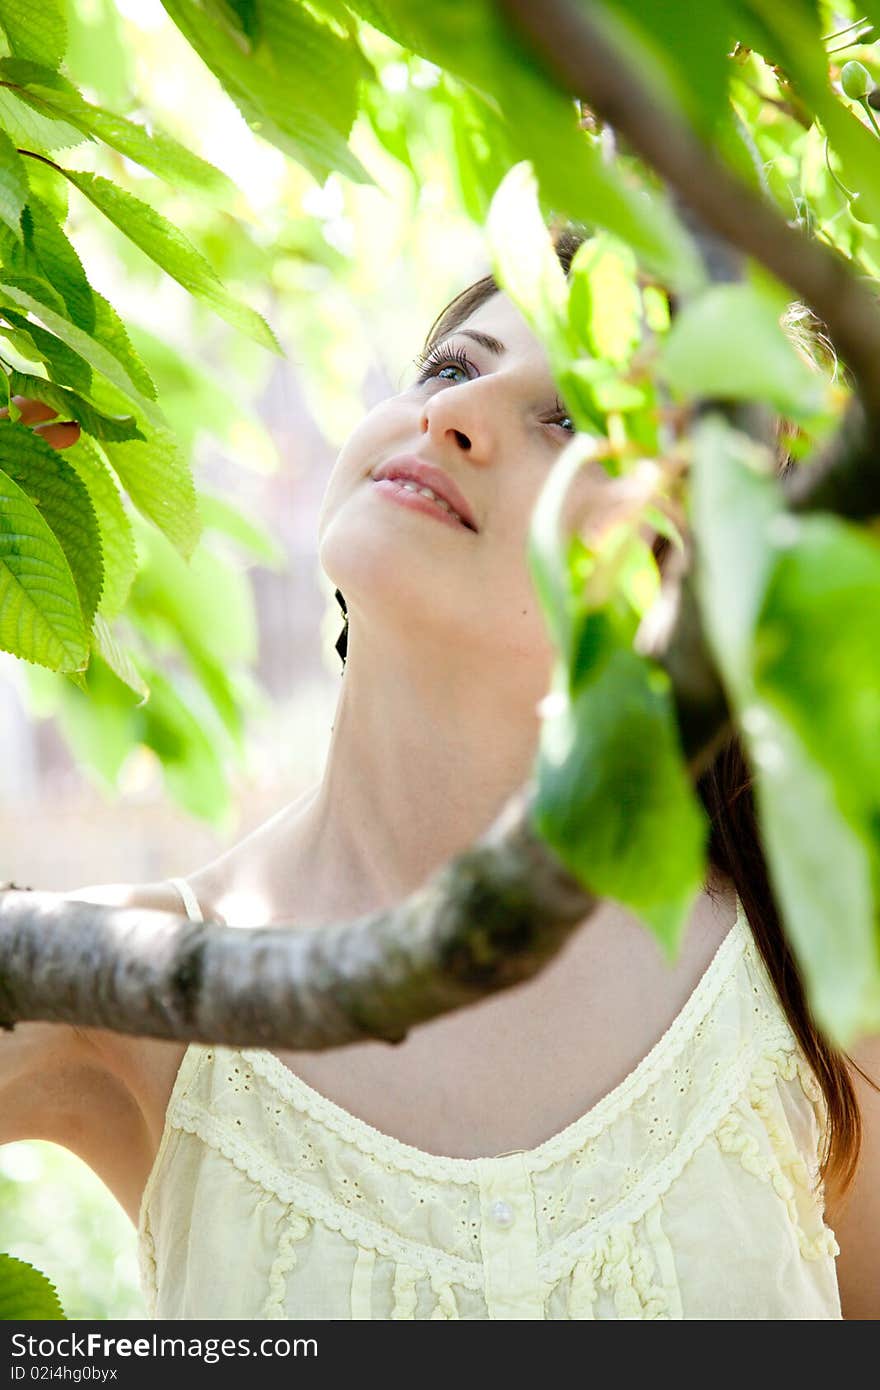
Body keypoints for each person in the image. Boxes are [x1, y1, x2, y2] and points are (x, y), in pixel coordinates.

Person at [1, 226, 878, 1319]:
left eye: (573, 421)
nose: (450, 415)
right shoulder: (109, 988)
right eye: (453, 367)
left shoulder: (812, 990)